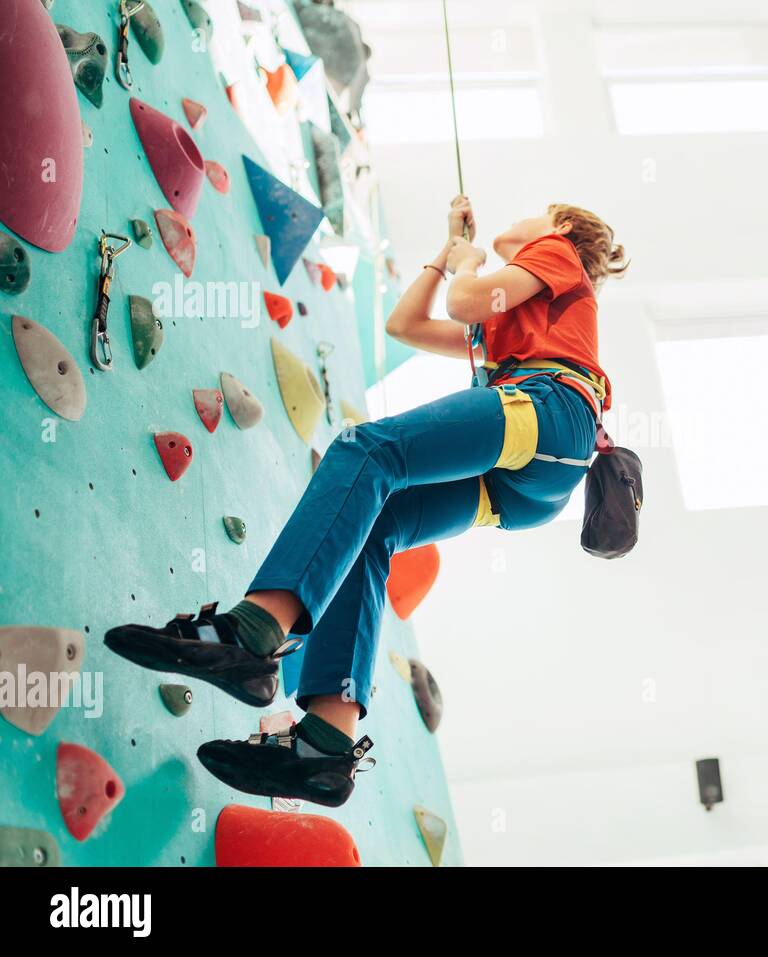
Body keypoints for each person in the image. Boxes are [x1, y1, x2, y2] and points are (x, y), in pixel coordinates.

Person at [105, 196, 627, 806]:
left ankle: (252, 632)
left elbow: (464, 300)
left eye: (537, 212)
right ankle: (326, 743)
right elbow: (403, 326)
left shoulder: (557, 253)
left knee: (365, 450)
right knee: (372, 530)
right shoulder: (516, 317)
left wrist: (468, 259)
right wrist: (446, 252)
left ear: (562, 228)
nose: (522, 219)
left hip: (550, 412)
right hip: (534, 475)